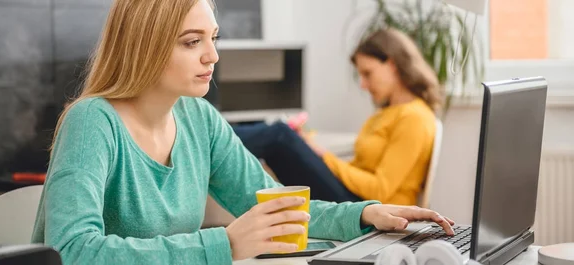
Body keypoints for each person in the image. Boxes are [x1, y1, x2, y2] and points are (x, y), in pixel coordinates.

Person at [31, 1, 454, 264]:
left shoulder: (199, 119)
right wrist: (225, 245)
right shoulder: (92, 122)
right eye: (191, 41)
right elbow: (72, 252)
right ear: (146, 45)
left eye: (212, 38)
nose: (212, 56)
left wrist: (363, 214)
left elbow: (274, 208)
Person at [232, 28, 441, 206]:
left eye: (368, 73)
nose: (363, 84)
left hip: (371, 209)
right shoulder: (386, 114)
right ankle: (212, 142)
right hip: (356, 199)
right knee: (278, 138)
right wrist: (311, 151)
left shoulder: (415, 118)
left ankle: (207, 135)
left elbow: (380, 190)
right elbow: (360, 170)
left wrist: (323, 156)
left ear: (393, 65)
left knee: (279, 135)